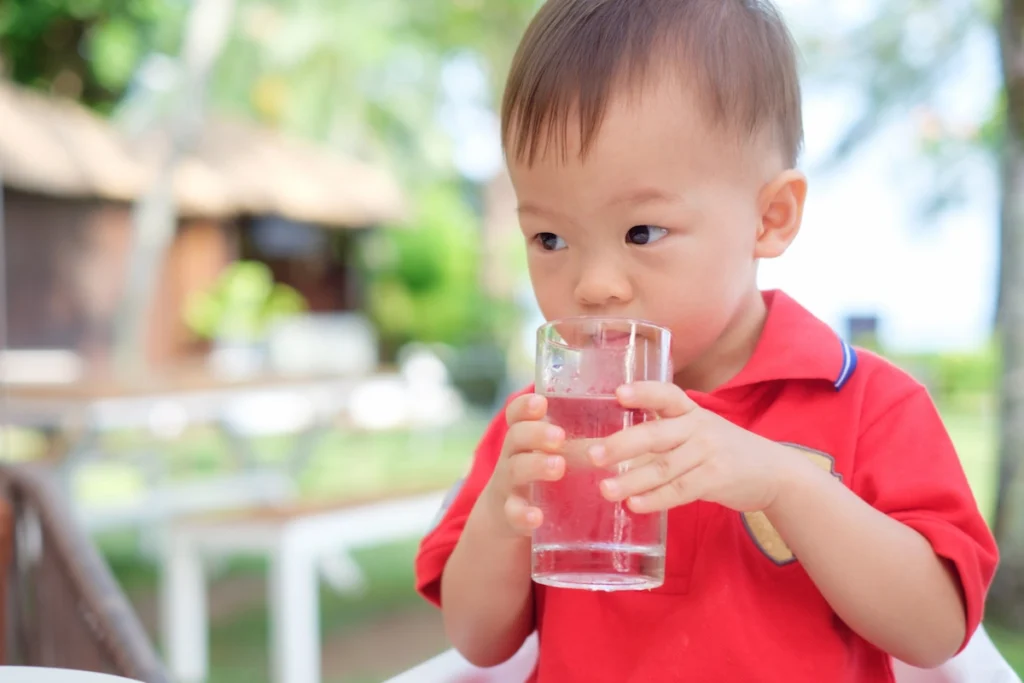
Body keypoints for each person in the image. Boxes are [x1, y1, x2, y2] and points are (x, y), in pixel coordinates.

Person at [414, 1, 1001, 681]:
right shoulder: (545, 423)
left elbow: (936, 632)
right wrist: (502, 518)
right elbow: (479, 641)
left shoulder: (867, 403)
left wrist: (785, 483)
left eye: (642, 232)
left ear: (770, 218)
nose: (594, 284)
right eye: (550, 238)